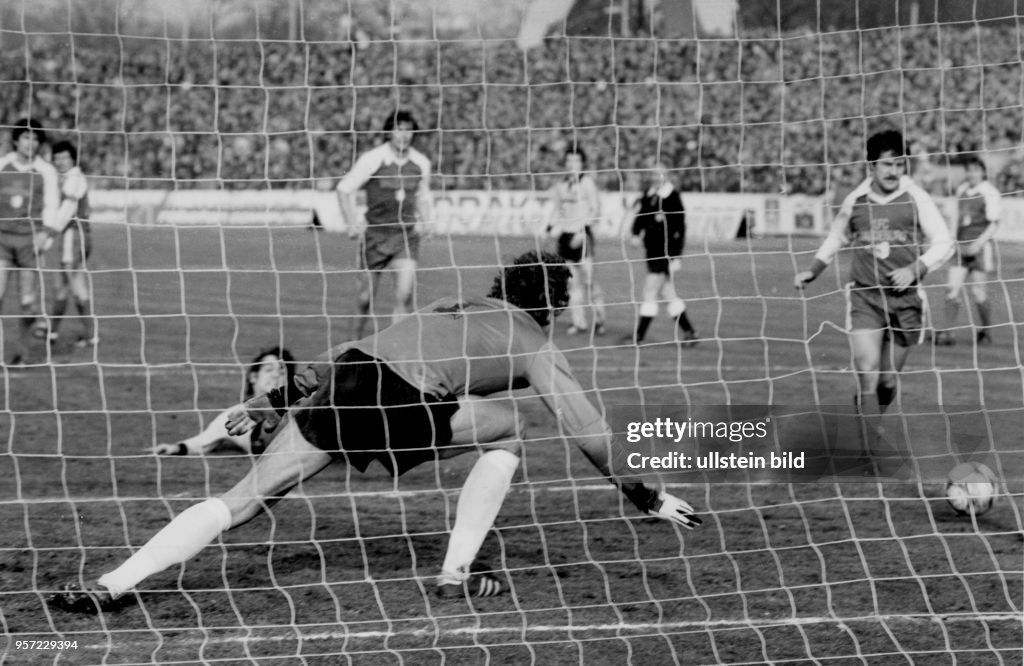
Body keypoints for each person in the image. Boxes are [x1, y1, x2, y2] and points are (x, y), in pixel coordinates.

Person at [49, 251, 701, 613]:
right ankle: (455, 574)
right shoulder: (532, 339)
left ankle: (113, 584)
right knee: (511, 432)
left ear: (500, 286)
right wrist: (642, 493)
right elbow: (583, 423)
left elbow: (358, 351)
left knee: (243, 500)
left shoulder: (450, 306)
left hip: (351, 376)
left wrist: (288, 394)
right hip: (399, 399)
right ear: (552, 307)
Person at [795, 130, 953, 464]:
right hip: (865, 296)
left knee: (887, 379)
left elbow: (944, 241)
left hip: (906, 299)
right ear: (871, 166)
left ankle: (871, 422)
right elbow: (837, 236)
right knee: (866, 369)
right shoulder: (856, 200)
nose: (894, 171)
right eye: (887, 165)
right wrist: (814, 269)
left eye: (899, 164)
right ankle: (865, 443)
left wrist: (916, 268)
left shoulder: (916, 198)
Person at [337, 108, 432, 340]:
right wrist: (351, 223)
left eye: (408, 131)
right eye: (399, 130)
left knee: (405, 294)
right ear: (389, 132)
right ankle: (350, 352)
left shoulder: (420, 163)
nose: (404, 135)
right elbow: (343, 189)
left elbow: (422, 194)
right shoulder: (373, 159)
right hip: (375, 237)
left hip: (405, 238)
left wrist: (427, 220)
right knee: (364, 299)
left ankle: (395, 355)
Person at [153, 347, 295, 456]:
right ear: (253, 377)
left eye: (282, 372)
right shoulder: (237, 414)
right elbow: (204, 441)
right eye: (269, 370)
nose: (276, 375)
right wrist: (177, 448)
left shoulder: (301, 407)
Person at [0, 118, 60, 364]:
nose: (30, 143)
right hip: (2, 240)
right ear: (16, 139)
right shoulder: (2, 165)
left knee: (27, 303)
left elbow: (52, 205)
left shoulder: (46, 171)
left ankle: (21, 352)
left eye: (35, 139)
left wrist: (45, 233)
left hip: (29, 242)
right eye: (26, 137)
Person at [620, 160, 698, 346]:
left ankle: (638, 336)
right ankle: (690, 332)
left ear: (667, 176)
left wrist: (676, 255)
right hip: (652, 250)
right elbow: (640, 217)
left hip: (665, 252)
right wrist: (635, 233)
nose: (655, 177)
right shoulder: (649, 194)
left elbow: (681, 228)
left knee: (649, 291)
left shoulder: (672, 197)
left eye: (659, 174)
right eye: (653, 174)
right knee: (668, 293)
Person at [934, 155, 1000, 346]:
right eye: (969, 170)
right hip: (961, 247)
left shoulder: (989, 192)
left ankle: (986, 330)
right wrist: (952, 239)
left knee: (979, 293)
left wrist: (979, 243)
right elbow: (955, 216)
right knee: (951, 289)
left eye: (976, 170)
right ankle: (947, 332)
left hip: (980, 248)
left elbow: (994, 223)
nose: (972, 174)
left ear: (983, 172)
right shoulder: (962, 190)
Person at [545, 146, 606, 336]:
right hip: (565, 236)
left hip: (582, 235)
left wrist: (583, 230)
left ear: (582, 163)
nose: (572, 164)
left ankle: (600, 319)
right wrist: (548, 229)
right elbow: (555, 209)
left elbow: (596, 209)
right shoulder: (560, 185)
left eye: (576, 161)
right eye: (569, 160)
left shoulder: (587, 183)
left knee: (589, 281)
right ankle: (579, 323)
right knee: (571, 282)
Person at [44, 140, 96, 348]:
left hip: (73, 236)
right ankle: (53, 332)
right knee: (62, 286)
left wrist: (48, 236)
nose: (60, 161)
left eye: (64, 157)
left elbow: (67, 210)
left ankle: (91, 335)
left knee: (74, 284)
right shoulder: (67, 178)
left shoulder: (74, 178)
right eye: (57, 158)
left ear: (73, 158)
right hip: (72, 236)